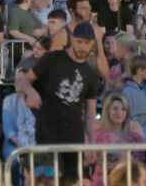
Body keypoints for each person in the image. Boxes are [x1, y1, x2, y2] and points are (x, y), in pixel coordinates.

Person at [15, 21, 101, 180]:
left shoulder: (91, 75)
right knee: (47, 180)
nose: (82, 46)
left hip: (74, 136)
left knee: (71, 180)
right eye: (79, 41)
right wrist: (31, 91)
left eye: (87, 43)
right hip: (47, 133)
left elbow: (90, 114)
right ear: (72, 39)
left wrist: (92, 144)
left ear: (93, 44)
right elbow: (25, 80)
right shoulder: (52, 59)